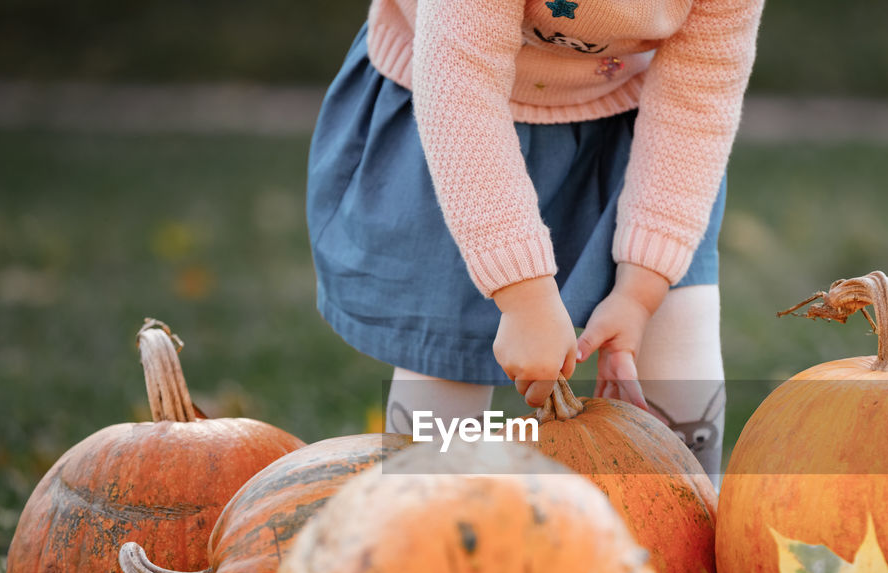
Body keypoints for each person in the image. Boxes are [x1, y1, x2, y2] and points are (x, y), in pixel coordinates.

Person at [306, 0, 764, 480]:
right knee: (444, 392)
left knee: (680, 357)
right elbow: (461, 83)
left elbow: (698, 100)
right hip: (460, 122)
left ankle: (685, 540)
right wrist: (525, 298)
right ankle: (419, 537)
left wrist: (639, 292)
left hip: (640, 132)